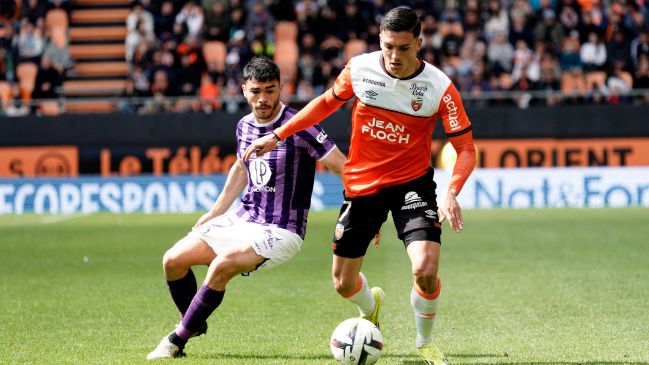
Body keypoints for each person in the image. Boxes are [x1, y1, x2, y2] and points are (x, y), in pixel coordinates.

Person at [243, 6, 476, 365]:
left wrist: (450, 190)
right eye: (388, 47)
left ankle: (424, 342)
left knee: (426, 270)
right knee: (342, 283)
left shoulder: (439, 87)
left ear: (419, 43)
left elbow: (465, 149)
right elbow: (323, 105)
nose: (394, 56)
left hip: (411, 184)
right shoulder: (360, 68)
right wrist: (278, 134)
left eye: (403, 48)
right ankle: (372, 306)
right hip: (363, 183)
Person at [146, 56, 347, 360]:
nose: (263, 99)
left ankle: (176, 340)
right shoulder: (244, 126)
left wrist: (360, 210)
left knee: (221, 266)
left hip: (282, 229)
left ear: (282, 87)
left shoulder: (301, 126)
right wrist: (215, 211)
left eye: (270, 90)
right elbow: (241, 169)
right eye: (256, 91)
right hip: (243, 218)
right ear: (243, 90)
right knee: (172, 260)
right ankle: (194, 321)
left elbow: (343, 167)